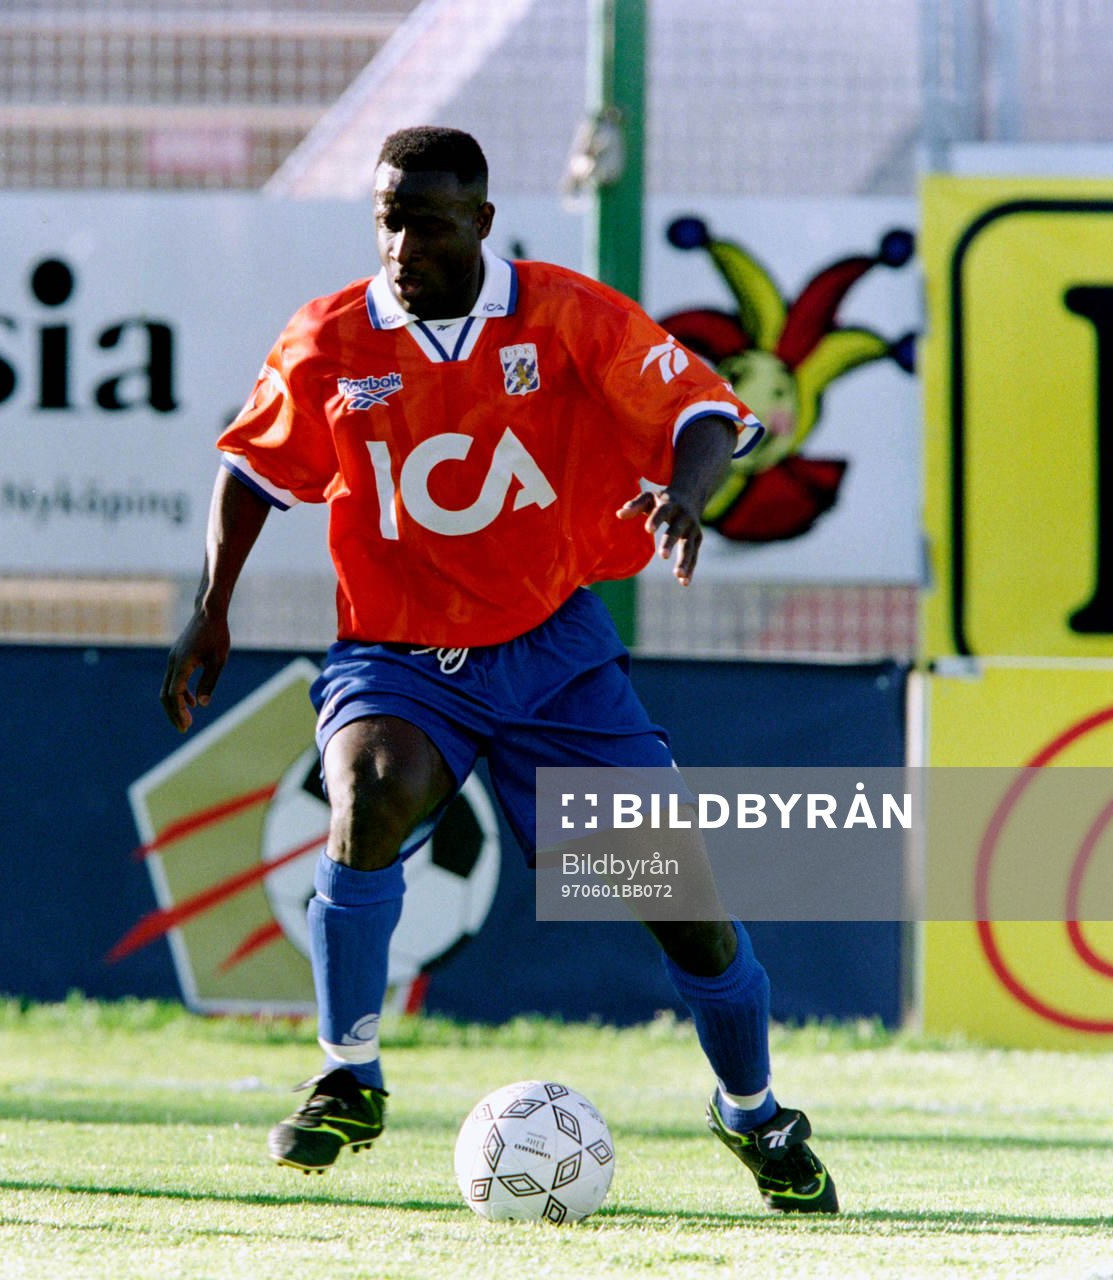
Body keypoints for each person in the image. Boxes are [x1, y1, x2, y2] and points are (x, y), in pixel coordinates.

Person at [160, 126, 836, 1213]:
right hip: (399, 650)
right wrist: (211, 607)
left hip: (551, 650)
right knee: (368, 791)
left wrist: (687, 492)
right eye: (389, 219)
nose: (404, 244)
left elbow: (707, 411)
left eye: (427, 222)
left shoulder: (564, 313)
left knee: (683, 905)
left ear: (480, 219)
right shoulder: (333, 336)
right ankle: (349, 1069)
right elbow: (251, 468)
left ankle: (753, 1110)